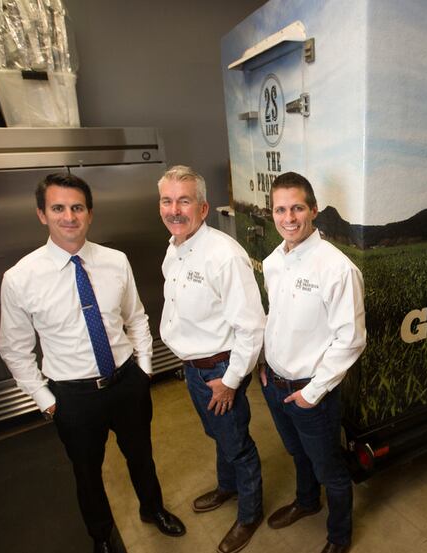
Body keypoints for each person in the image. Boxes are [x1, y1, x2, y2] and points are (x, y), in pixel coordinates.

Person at [0, 173, 185, 553]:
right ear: (42, 215)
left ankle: (153, 510)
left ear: (90, 213)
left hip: (126, 382)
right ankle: (100, 536)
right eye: (58, 208)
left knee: (141, 456)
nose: (69, 217)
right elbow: (14, 349)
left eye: (77, 208)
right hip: (73, 396)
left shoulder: (115, 261)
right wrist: (46, 400)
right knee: (87, 473)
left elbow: (136, 317)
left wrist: (144, 368)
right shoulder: (20, 278)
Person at [158, 166, 265, 553]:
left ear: (203, 208)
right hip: (193, 367)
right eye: (167, 201)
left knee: (236, 444)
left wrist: (231, 381)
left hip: (220, 370)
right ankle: (228, 487)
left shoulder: (224, 255)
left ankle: (250, 514)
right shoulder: (174, 248)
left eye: (184, 201)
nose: (174, 209)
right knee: (218, 435)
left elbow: (252, 328)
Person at [261, 172, 366, 553]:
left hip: (310, 394)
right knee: (297, 453)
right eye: (280, 209)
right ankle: (307, 502)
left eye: (297, 208)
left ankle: (339, 537)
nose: (289, 218)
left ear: (314, 210)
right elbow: (277, 317)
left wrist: (313, 392)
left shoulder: (336, 268)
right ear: (272, 212)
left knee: (330, 470)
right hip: (273, 383)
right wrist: (264, 364)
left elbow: (351, 340)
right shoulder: (275, 260)